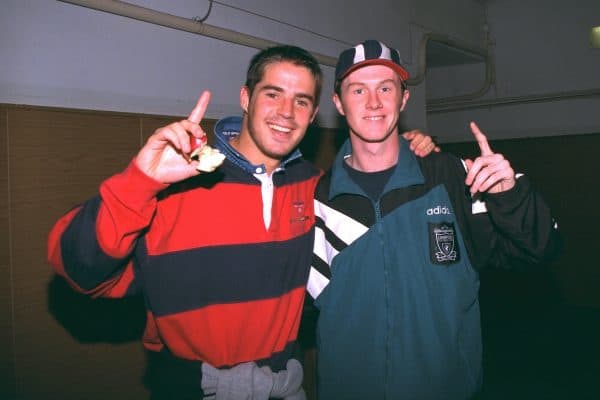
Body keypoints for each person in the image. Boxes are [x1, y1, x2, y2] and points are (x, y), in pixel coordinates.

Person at [47, 44, 435, 399]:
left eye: (301, 101)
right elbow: (80, 272)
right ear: (246, 98)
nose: (286, 112)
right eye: (273, 94)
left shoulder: (315, 188)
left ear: (314, 115)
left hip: (286, 388)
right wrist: (140, 182)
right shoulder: (177, 183)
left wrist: (405, 150)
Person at [307, 39, 561, 399]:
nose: (374, 102)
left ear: (404, 99)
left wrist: (509, 195)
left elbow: (539, 251)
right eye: (358, 89)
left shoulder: (451, 176)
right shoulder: (317, 199)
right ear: (338, 104)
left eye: (385, 88)